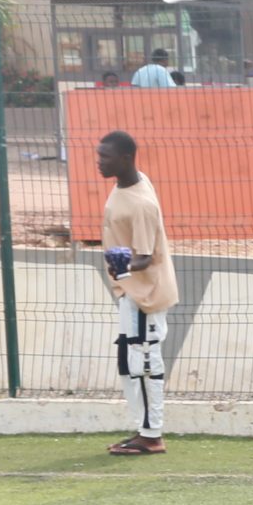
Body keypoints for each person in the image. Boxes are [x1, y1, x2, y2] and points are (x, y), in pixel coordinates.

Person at [96, 130, 177, 456]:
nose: (99, 162)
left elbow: (145, 257)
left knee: (144, 363)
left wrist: (120, 265)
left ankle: (152, 435)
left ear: (125, 159)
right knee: (128, 363)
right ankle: (143, 428)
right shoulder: (127, 184)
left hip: (145, 295)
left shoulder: (141, 203)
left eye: (105, 157)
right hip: (129, 292)